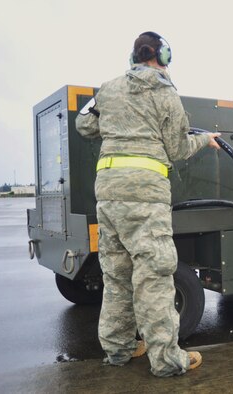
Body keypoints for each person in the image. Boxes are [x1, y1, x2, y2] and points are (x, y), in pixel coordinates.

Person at [76, 31, 220, 376]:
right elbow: (178, 149)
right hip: (145, 194)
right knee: (154, 275)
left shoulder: (108, 88)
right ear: (164, 56)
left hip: (108, 195)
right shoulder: (165, 93)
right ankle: (168, 361)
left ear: (133, 57)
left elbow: (84, 124)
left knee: (116, 275)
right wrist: (204, 141)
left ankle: (118, 349)